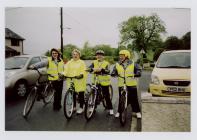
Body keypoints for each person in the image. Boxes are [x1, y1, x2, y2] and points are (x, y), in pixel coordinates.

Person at [111, 50, 142, 118]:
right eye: (120, 55)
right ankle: (119, 111)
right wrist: (113, 73)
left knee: (134, 98)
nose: (120, 57)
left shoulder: (133, 63)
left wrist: (137, 73)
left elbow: (138, 69)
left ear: (127, 56)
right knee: (121, 99)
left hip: (131, 84)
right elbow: (114, 71)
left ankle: (137, 111)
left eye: (122, 55)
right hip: (121, 84)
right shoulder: (117, 64)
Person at [88, 50, 114, 115]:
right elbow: (90, 67)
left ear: (103, 56)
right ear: (96, 56)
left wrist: (102, 70)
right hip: (96, 81)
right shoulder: (94, 62)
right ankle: (93, 107)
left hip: (104, 82)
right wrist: (89, 69)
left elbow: (108, 71)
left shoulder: (106, 63)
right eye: (97, 55)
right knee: (94, 94)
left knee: (106, 95)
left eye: (100, 55)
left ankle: (110, 108)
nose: (99, 56)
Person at [64, 49, 87, 114]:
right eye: (74, 54)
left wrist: (81, 75)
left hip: (79, 80)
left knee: (81, 94)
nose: (75, 55)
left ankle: (81, 107)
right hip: (71, 80)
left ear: (79, 55)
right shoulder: (69, 62)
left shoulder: (82, 62)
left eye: (77, 54)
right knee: (72, 94)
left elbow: (84, 70)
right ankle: (73, 107)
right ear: (72, 55)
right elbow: (66, 69)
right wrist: (63, 74)